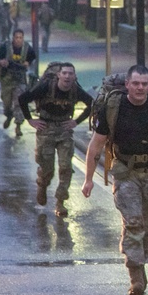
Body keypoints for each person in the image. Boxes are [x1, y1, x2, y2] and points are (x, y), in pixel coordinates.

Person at [82, 65, 148, 295]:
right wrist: (88, 180)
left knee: (146, 229)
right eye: (136, 84)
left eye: (145, 84)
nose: (140, 88)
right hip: (125, 173)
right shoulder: (114, 107)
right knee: (134, 223)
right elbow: (95, 146)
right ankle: (135, 277)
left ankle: (140, 262)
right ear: (127, 84)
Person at [18, 63, 93, 217]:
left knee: (66, 167)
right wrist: (30, 120)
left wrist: (76, 122)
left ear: (74, 76)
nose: (67, 76)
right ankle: (42, 185)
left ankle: (60, 202)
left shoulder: (75, 90)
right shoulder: (46, 87)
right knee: (47, 168)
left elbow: (91, 104)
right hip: (46, 129)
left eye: (70, 74)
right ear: (59, 75)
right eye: (64, 73)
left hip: (64, 130)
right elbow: (23, 99)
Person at [0, 28, 36, 137]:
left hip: (20, 80)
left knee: (19, 102)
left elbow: (32, 56)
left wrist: (28, 62)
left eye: (20, 38)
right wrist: (1, 61)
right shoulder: (5, 47)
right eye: (16, 38)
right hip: (7, 79)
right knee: (7, 103)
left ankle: (18, 126)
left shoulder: (27, 49)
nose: (18, 40)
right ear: (13, 38)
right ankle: (8, 116)